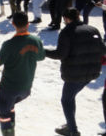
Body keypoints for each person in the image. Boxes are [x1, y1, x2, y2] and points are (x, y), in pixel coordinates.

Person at [45, 8, 106, 136]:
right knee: (70, 97)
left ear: (66, 19)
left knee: (66, 100)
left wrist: (43, 52)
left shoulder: (67, 32)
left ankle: (72, 130)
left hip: (74, 74)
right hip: (93, 72)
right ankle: (70, 125)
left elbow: (60, 54)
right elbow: (102, 50)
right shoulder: (93, 29)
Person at [0, 12, 45, 136]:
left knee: (3, 112)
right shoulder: (36, 40)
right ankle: (11, 130)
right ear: (28, 24)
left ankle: (9, 134)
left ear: (13, 24)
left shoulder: (9, 44)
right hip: (26, 88)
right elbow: (41, 57)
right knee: (10, 108)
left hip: (9, 88)